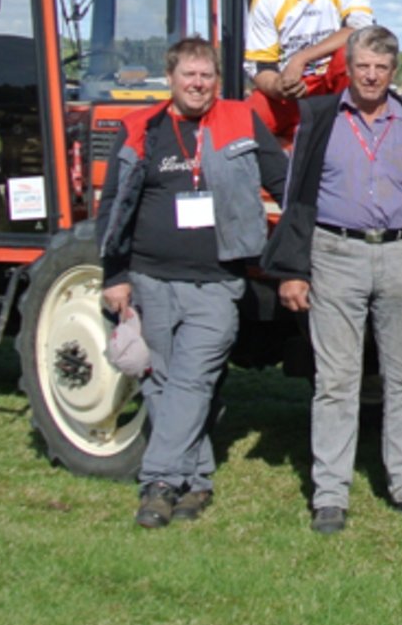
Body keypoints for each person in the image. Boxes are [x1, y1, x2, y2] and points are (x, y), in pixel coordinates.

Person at [263, 25, 402, 534]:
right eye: (363, 66)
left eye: (381, 68)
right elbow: (296, 195)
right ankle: (330, 493)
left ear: (394, 72)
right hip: (335, 252)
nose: (371, 76)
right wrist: (293, 270)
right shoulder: (319, 118)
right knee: (336, 381)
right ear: (349, 67)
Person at [98, 36, 288, 528]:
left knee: (193, 377)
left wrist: (304, 242)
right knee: (161, 380)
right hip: (149, 278)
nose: (198, 84)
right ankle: (197, 480)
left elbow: (284, 181)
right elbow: (113, 207)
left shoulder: (239, 121)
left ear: (217, 82)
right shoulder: (142, 128)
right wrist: (114, 275)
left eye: (207, 76)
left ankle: (158, 481)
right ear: (171, 78)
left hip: (217, 280)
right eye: (189, 75)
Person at [244, 0, 374, 137]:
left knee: (354, 51)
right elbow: (259, 65)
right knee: (244, 123)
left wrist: (302, 58)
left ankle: (355, 130)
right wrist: (279, 86)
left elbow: (360, 30)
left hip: (334, 86)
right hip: (291, 89)